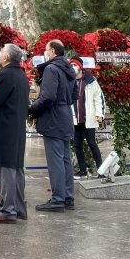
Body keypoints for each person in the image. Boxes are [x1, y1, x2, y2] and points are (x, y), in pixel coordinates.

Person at [30, 40, 78, 212]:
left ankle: (58, 199)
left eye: (46, 50)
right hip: (65, 115)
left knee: (56, 160)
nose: (45, 52)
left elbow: (48, 96)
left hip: (53, 118)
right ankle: (67, 197)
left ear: (52, 51)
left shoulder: (51, 69)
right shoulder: (69, 69)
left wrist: (32, 108)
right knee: (65, 159)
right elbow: (74, 95)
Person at [0, 43, 31, 223]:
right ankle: (19, 207)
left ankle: (8, 209)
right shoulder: (21, 75)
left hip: (4, 129)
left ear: (6, 57)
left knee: (5, 169)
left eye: (1, 52)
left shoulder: (6, 74)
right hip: (17, 127)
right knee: (16, 168)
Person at [68, 56, 105, 179]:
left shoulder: (91, 81)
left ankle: (101, 170)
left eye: (75, 65)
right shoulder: (69, 80)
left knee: (92, 144)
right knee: (77, 145)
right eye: (71, 65)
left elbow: (98, 99)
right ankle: (82, 170)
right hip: (75, 119)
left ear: (80, 67)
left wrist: (99, 114)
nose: (73, 67)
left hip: (88, 118)